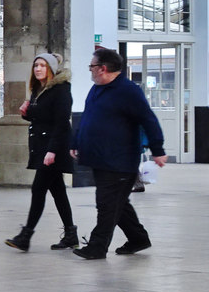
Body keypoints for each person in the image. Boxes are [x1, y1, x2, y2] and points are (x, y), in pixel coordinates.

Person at [70, 47, 166, 259]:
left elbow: (148, 119)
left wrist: (158, 149)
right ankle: (138, 238)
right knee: (117, 204)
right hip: (101, 158)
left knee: (106, 204)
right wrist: (76, 141)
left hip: (120, 160)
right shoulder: (97, 88)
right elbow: (87, 117)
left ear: (102, 68)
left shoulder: (128, 91)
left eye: (92, 66)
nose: (90, 70)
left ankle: (97, 247)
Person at [5, 53, 77, 251]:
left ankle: (26, 235)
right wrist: (26, 112)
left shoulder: (61, 90)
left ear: (51, 69)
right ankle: (71, 234)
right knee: (58, 191)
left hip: (53, 148)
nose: (38, 69)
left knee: (38, 189)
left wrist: (52, 150)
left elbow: (61, 122)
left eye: (43, 66)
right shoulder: (39, 89)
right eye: (36, 65)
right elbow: (41, 118)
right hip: (43, 146)